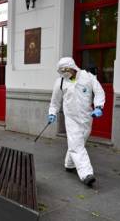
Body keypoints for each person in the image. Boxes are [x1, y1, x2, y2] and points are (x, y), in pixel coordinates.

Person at [48, 57, 105, 186]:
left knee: (78, 143)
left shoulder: (88, 77)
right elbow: (55, 101)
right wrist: (52, 113)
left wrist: (98, 107)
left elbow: (99, 92)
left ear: (72, 66)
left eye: (65, 69)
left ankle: (69, 164)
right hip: (71, 118)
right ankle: (86, 174)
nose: (64, 73)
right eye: (61, 71)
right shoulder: (60, 82)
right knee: (77, 144)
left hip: (86, 118)